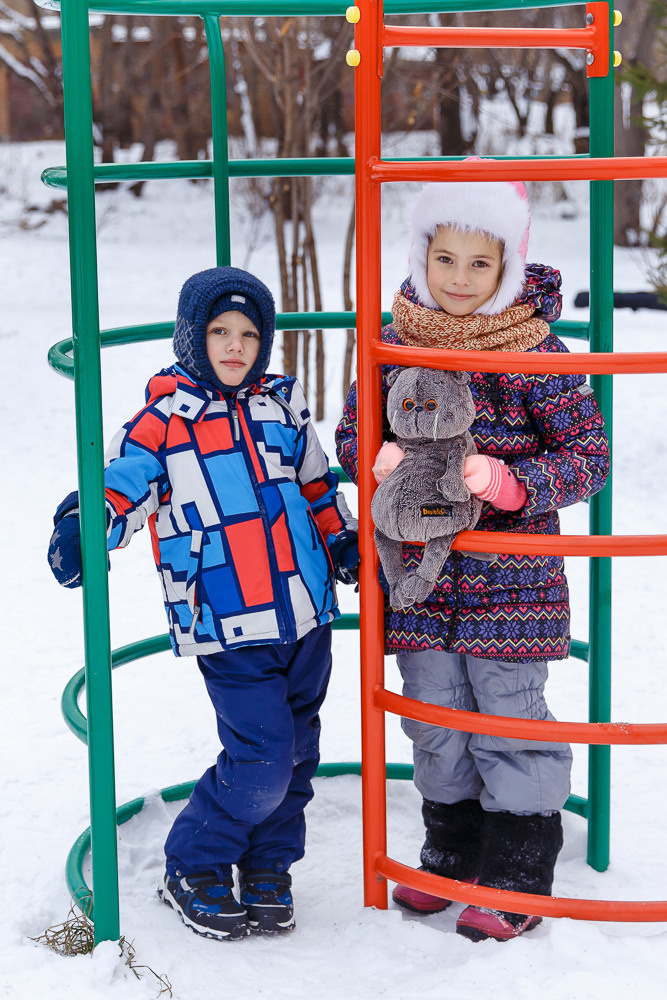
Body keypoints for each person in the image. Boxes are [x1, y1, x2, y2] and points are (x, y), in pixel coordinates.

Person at [48, 266, 360, 942]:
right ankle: (195, 859)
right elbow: (123, 484)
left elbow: (314, 489)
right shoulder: (164, 422)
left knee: (298, 752)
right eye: (219, 331)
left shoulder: (281, 407)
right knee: (262, 757)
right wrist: (84, 520)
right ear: (191, 336)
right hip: (227, 619)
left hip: (306, 614)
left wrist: (340, 543)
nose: (236, 346)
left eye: (250, 334)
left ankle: (269, 863)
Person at [335, 179, 610, 942]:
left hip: (510, 581)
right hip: (418, 576)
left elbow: (588, 456)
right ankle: (452, 847)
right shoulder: (395, 340)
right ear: (422, 258)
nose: (458, 279)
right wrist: (378, 459)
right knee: (434, 718)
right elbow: (352, 429)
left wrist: (516, 483)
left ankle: (519, 863)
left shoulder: (534, 354)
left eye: (478, 265)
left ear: (507, 269)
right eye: (444, 258)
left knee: (507, 714)